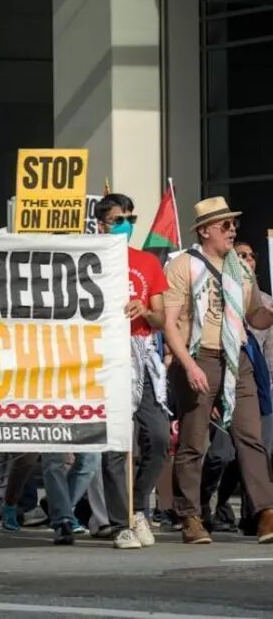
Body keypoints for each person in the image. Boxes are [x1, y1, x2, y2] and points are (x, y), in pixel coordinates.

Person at [162, 197, 273, 544]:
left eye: (233, 224)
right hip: (200, 356)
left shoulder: (241, 268)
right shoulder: (183, 265)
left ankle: (265, 512)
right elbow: (169, 323)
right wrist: (189, 365)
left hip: (237, 359)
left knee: (250, 438)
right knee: (194, 442)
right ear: (205, 230)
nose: (232, 230)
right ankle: (191, 516)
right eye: (225, 225)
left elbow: (255, 316)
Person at [91, 194, 173, 550]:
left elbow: (159, 318)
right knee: (116, 442)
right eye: (118, 218)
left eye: (130, 218)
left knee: (157, 437)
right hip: (106, 357)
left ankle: (138, 506)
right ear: (101, 224)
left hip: (140, 356)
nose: (126, 224)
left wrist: (144, 309)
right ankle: (120, 520)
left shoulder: (148, 263)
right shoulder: (90, 262)